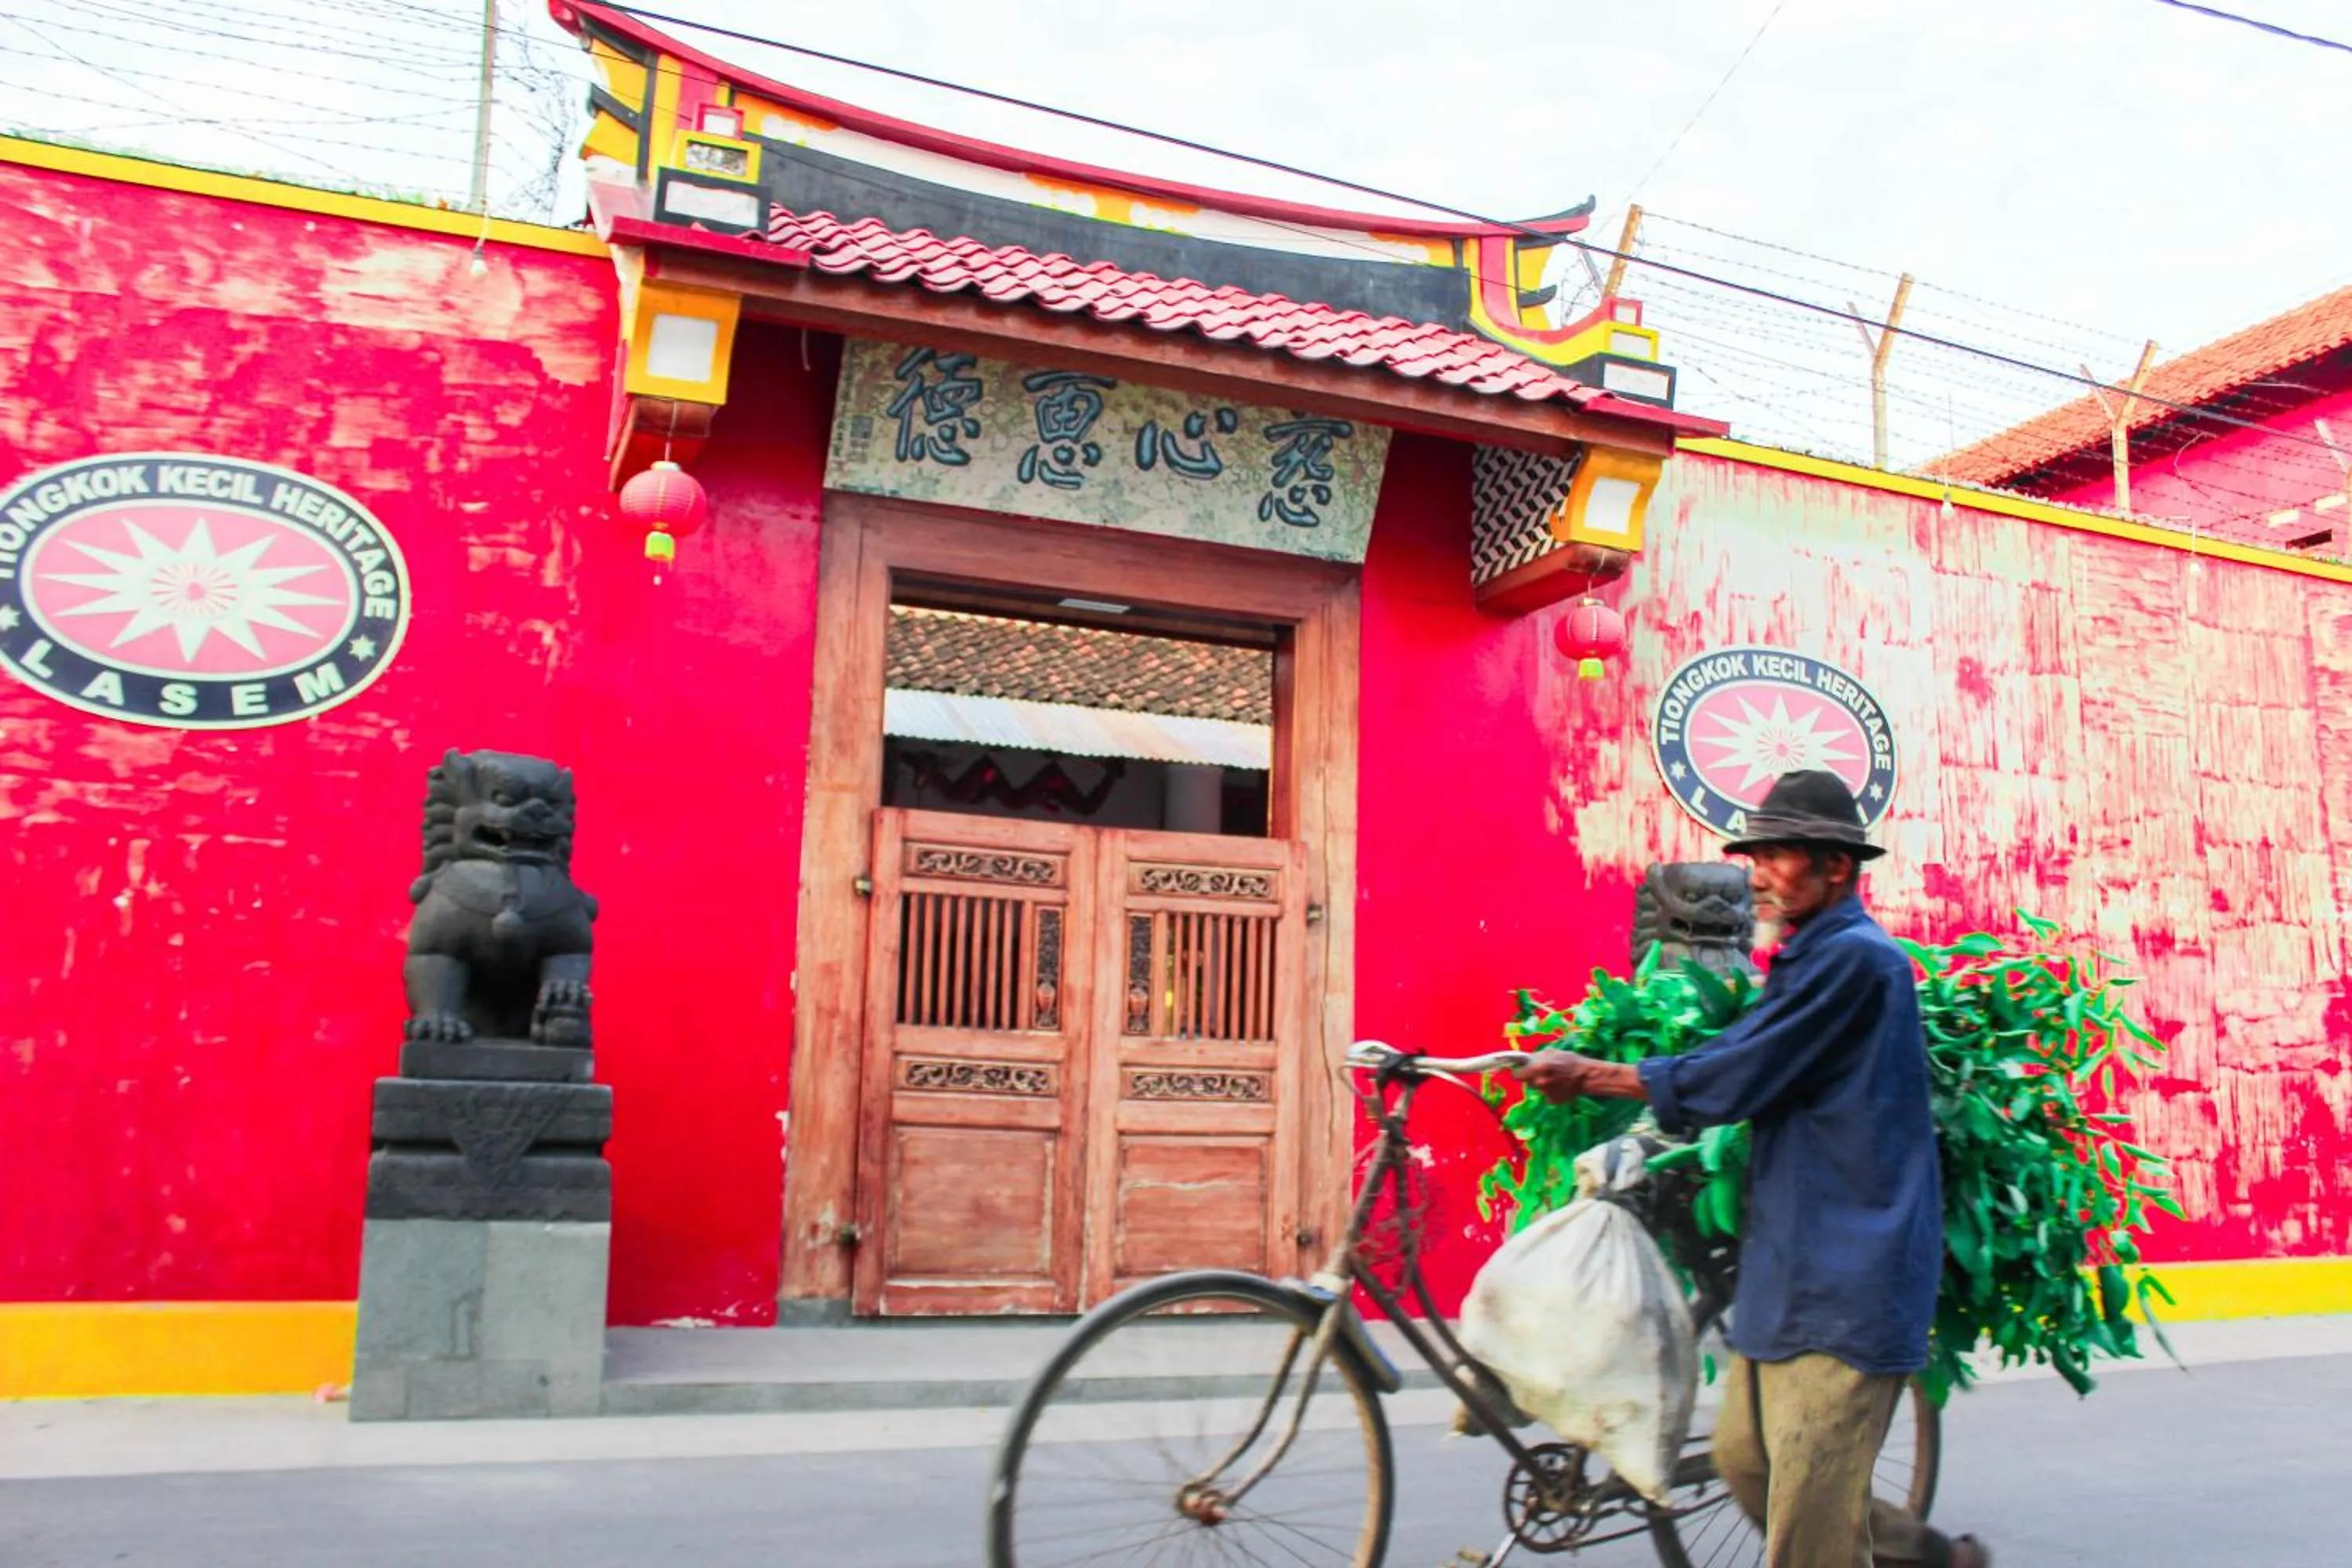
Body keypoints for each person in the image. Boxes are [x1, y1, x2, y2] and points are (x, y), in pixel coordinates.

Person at [1515, 769, 1991, 1568]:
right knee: (1746, 1461)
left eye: (1777, 855)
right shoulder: (1809, 958)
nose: (1758, 873)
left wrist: (1596, 1073)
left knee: (1807, 1532)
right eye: (1756, 855)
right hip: (1790, 1265)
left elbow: (1744, 1070)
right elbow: (1742, 1058)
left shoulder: (1859, 962)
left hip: (1849, 1273)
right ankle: (1932, 1558)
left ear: (1836, 866)